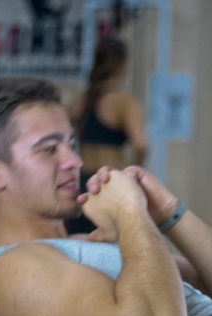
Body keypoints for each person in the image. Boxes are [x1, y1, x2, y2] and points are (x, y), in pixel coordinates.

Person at [0, 77, 212, 316]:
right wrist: (129, 212)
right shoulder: (11, 270)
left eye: (71, 144)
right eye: (49, 149)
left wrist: (168, 212)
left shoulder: (82, 249)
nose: (74, 161)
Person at [65, 37, 148, 235]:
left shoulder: (80, 101)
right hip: (108, 182)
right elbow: (141, 144)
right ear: (122, 66)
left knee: (81, 246)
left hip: (81, 182)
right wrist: (135, 176)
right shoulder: (123, 103)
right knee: (111, 251)